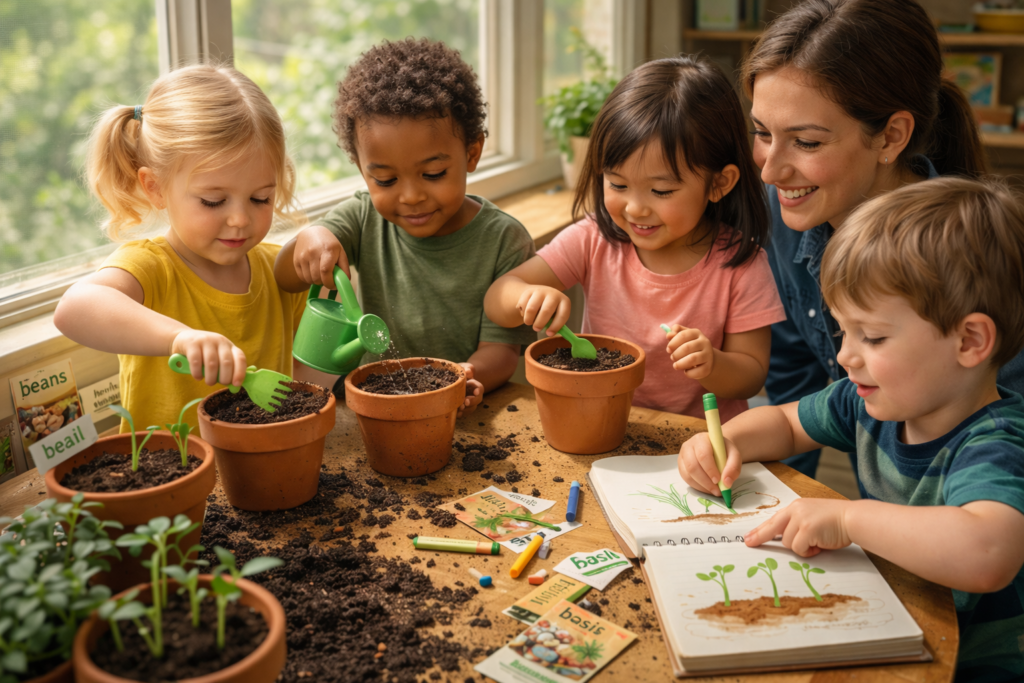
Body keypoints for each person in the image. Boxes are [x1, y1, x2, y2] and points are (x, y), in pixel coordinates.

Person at [678, 177, 1024, 681]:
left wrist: (850, 520)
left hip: (969, 668)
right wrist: (726, 442)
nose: (844, 355)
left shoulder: (995, 442)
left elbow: (987, 552)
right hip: (890, 628)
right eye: (843, 331)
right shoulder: (868, 402)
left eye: (874, 336)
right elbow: (783, 421)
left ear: (970, 340)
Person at [743, 0, 1024, 481]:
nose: (770, 170)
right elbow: (797, 387)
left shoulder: (981, 260)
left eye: (806, 142)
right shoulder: (786, 209)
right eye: (762, 132)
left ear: (891, 136)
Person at [484, 55, 784, 420]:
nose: (635, 208)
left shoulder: (742, 264)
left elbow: (750, 377)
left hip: (698, 444)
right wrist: (526, 296)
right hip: (605, 429)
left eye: (660, 191)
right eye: (618, 184)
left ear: (719, 184)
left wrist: (713, 363)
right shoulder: (594, 239)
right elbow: (497, 297)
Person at [274, 38, 535, 417]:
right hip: (376, 408)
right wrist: (312, 237)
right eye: (385, 180)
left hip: (460, 411)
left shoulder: (503, 240)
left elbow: (502, 350)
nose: (410, 196)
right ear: (362, 170)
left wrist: (467, 374)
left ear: (472, 153)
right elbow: (285, 276)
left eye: (433, 174)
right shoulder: (363, 217)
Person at [54, 64, 306, 431]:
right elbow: (73, 310)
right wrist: (179, 337)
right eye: (213, 201)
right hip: (168, 475)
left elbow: (305, 381)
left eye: (260, 198)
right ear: (155, 187)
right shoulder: (150, 267)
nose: (240, 219)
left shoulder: (279, 271)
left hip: (265, 473)